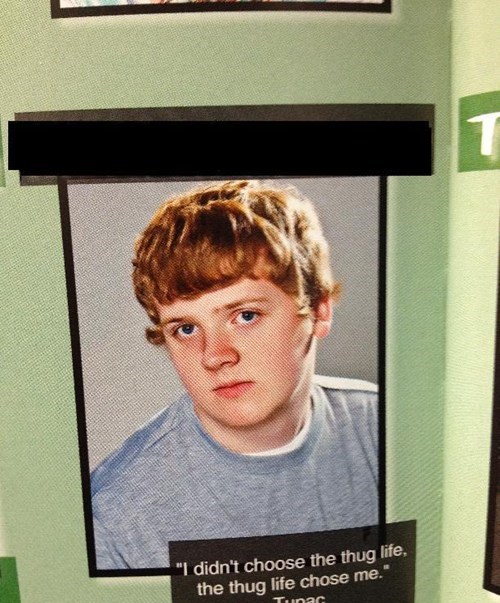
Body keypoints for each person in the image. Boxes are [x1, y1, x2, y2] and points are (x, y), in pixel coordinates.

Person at [91, 180, 378, 570]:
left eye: (245, 316)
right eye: (186, 329)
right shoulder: (112, 516)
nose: (215, 356)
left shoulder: (386, 428)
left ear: (318, 311)